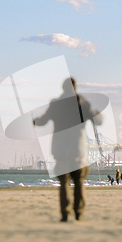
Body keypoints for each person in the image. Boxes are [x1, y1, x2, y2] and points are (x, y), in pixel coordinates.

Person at [33, 78, 103, 222]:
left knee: (64, 182)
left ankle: (65, 214)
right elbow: (99, 121)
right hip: (78, 149)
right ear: (75, 88)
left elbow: (42, 121)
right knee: (79, 181)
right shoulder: (83, 103)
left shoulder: (55, 104)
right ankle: (79, 213)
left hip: (60, 149)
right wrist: (96, 112)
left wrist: (34, 120)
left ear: (63, 88)